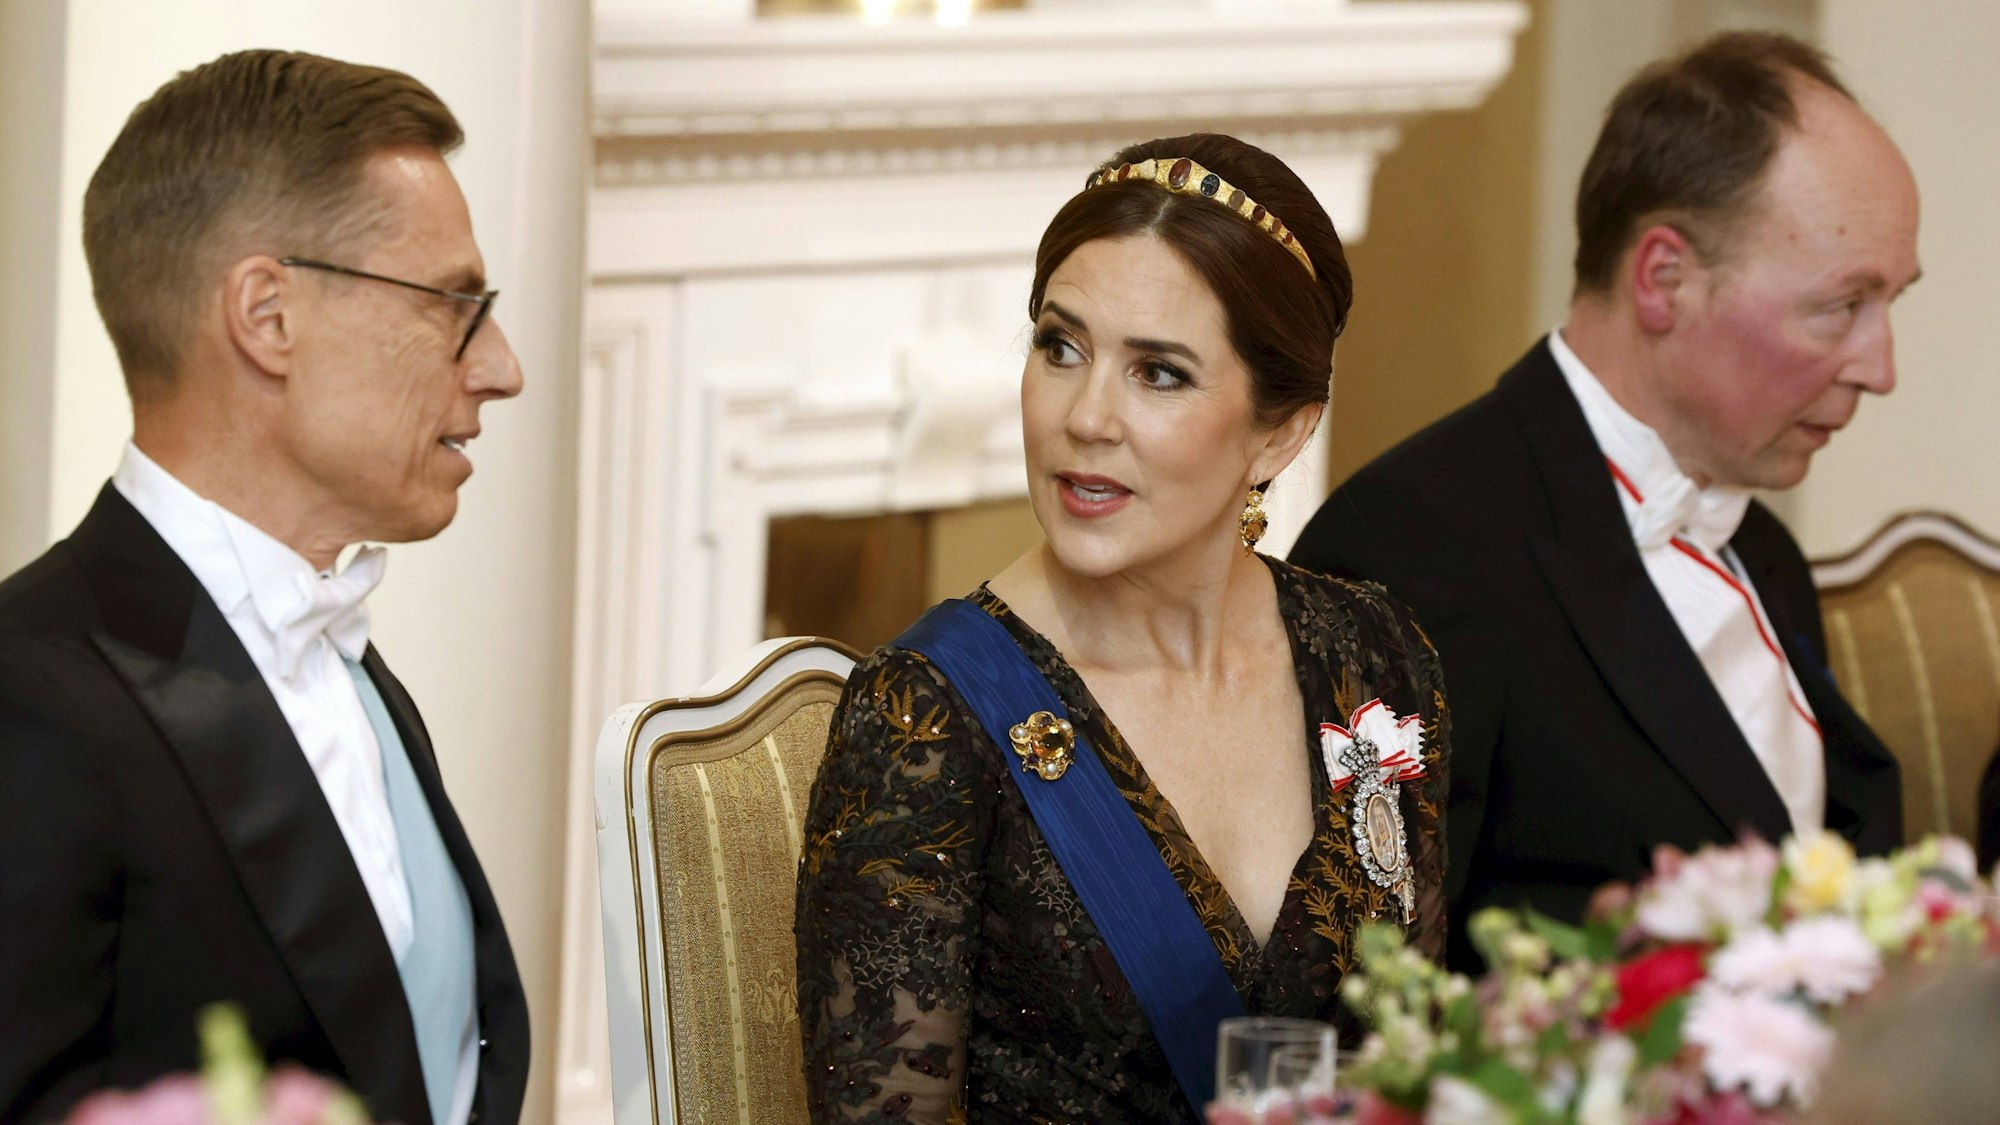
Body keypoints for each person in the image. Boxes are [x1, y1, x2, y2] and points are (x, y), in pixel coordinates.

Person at [795, 133, 1450, 1124]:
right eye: (1060, 348)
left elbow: (1412, 1059)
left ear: (1280, 432)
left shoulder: (1374, 654)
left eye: (1159, 373)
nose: (1086, 417)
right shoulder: (925, 718)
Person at [1290, 31, 1912, 968]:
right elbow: (1369, 981)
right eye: (1842, 305)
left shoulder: (1762, 554)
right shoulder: (1409, 546)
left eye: (1892, 302)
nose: (1881, 366)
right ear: (1664, 278)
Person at [0, 51, 529, 1125]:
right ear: (268, 315)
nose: (500, 367)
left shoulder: (341, 654)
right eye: (454, 304)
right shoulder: (26, 701)